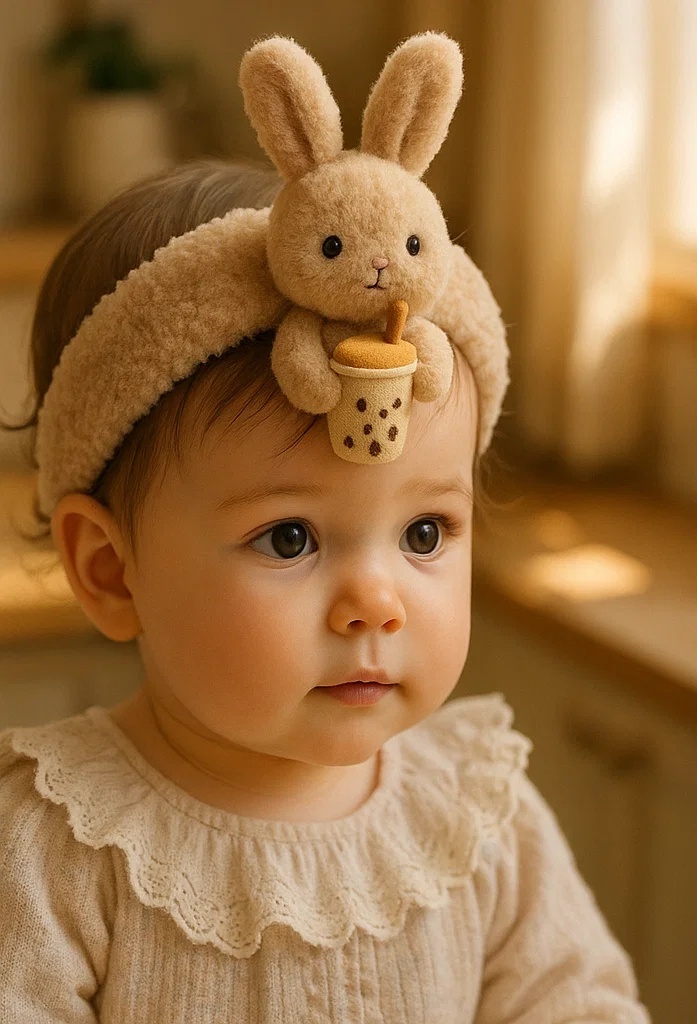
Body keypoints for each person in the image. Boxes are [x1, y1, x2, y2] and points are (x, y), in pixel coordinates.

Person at [0, 34, 650, 1024]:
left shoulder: (483, 819)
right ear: (111, 568)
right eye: (290, 538)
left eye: (425, 532)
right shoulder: (50, 854)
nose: (376, 601)